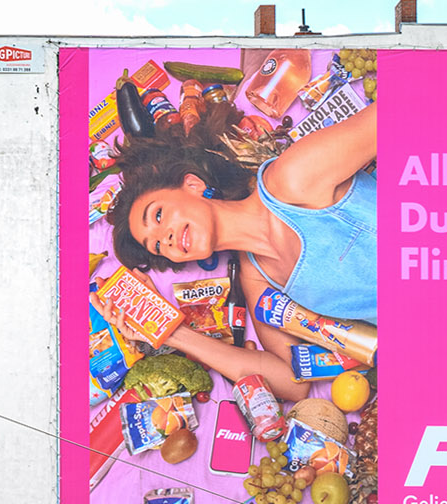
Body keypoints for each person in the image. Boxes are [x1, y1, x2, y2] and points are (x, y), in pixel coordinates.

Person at [102, 103, 378, 403]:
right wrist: (169, 332)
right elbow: (292, 382)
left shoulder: (290, 178)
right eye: (156, 246)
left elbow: (401, 108)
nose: (165, 238)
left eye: (157, 216)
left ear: (192, 185)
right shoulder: (258, 282)